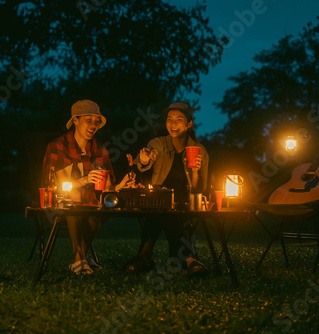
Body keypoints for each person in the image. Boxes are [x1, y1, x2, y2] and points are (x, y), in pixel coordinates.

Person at [42, 99, 134, 274]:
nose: (94, 125)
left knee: (98, 207)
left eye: (97, 122)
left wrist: (121, 185)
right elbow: (58, 186)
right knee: (75, 200)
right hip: (61, 199)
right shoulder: (58, 146)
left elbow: (107, 189)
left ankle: (80, 259)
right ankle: (80, 258)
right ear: (75, 120)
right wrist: (85, 180)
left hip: (91, 201)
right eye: (89, 120)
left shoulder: (99, 149)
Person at [127, 101, 209, 277]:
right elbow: (143, 161)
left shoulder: (198, 150)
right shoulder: (159, 143)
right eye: (169, 119)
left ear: (189, 124)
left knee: (168, 212)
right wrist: (144, 158)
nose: (172, 124)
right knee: (164, 209)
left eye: (179, 119)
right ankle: (188, 259)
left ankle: (144, 256)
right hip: (158, 199)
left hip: (186, 202)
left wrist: (195, 172)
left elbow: (199, 190)